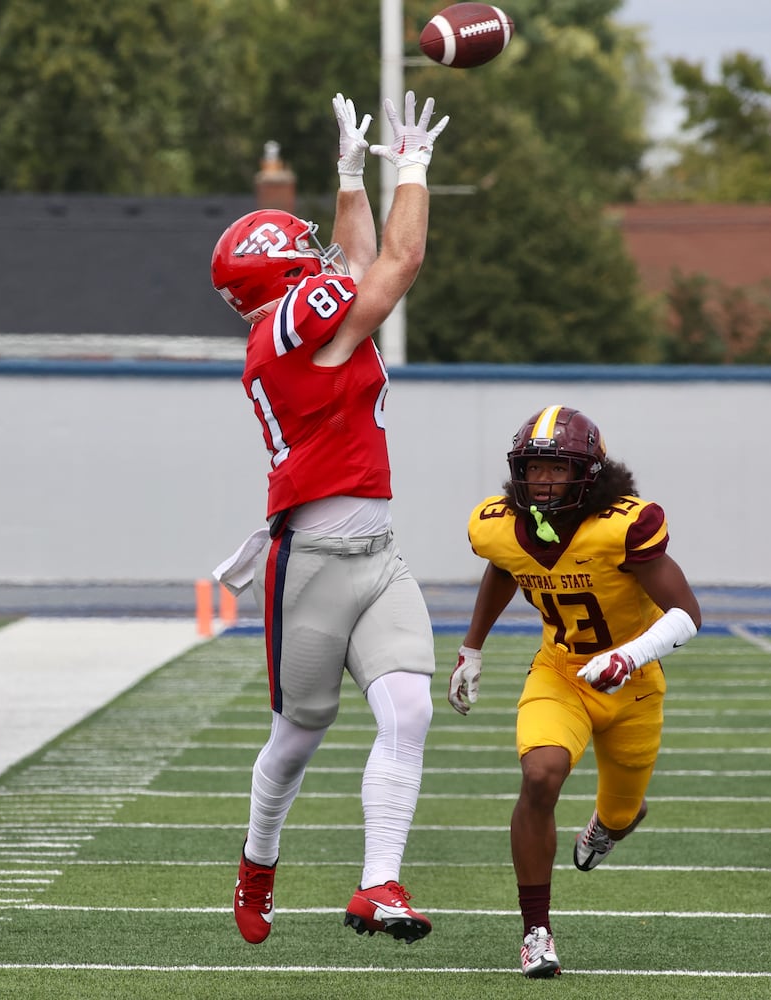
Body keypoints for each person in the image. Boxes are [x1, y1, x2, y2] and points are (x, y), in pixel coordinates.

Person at [208, 91, 449, 945]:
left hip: (377, 556)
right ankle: (257, 860)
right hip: (310, 564)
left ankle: (379, 884)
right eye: (299, 253)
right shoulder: (293, 328)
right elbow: (397, 260)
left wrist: (352, 175)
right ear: (279, 279)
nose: (316, 255)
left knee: (409, 713)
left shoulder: (300, 319)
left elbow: (349, 262)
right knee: (296, 740)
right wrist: (412, 166)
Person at [449, 404, 702, 978]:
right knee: (540, 776)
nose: (542, 480)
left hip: (633, 683)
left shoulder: (624, 524)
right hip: (559, 672)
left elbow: (687, 613)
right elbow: (504, 565)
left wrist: (629, 654)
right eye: (534, 468)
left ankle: (612, 824)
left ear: (588, 472)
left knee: (619, 810)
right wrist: (472, 646)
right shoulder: (497, 523)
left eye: (557, 469)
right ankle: (535, 931)